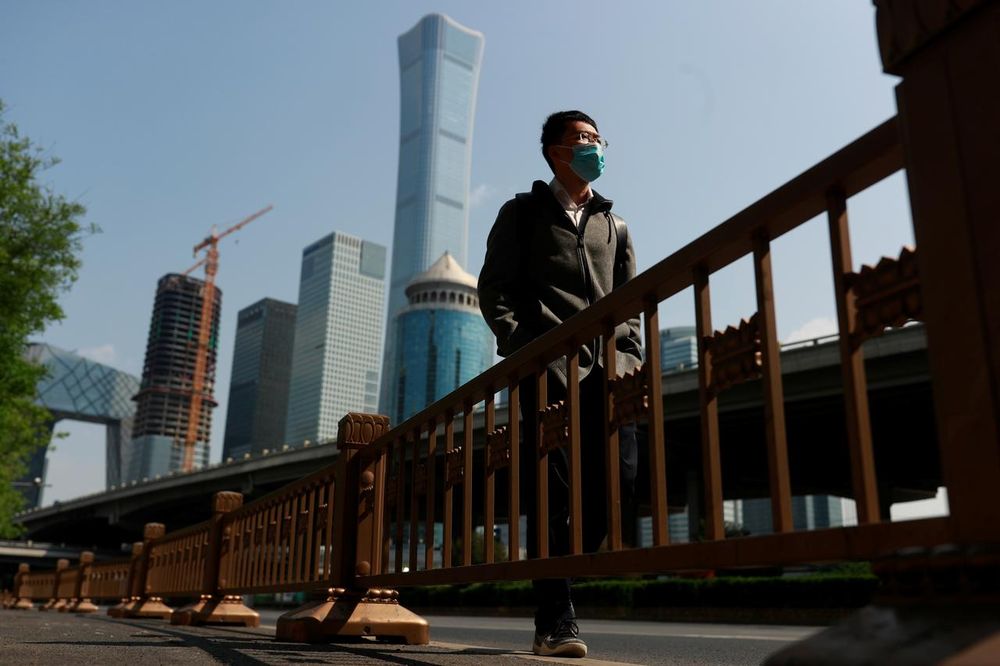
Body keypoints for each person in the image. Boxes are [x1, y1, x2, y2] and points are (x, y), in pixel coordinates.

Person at [478, 110, 642, 658]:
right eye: (582, 139)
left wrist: (630, 356)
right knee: (554, 494)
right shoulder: (523, 214)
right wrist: (523, 347)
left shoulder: (614, 224)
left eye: (598, 138)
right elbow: (493, 290)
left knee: (618, 480)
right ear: (555, 151)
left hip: (609, 375)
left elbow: (629, 300)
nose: (595, 146)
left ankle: (560, 578)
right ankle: (555, 620)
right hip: (546, 372)